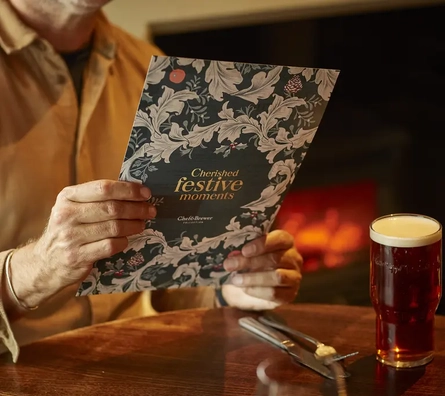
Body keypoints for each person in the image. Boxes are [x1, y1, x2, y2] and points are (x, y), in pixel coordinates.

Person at [0, 0, 303, 362]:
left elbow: (168, 275)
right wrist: (38, 268)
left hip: (139, 360)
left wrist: (233, 286)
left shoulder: (153, 69)